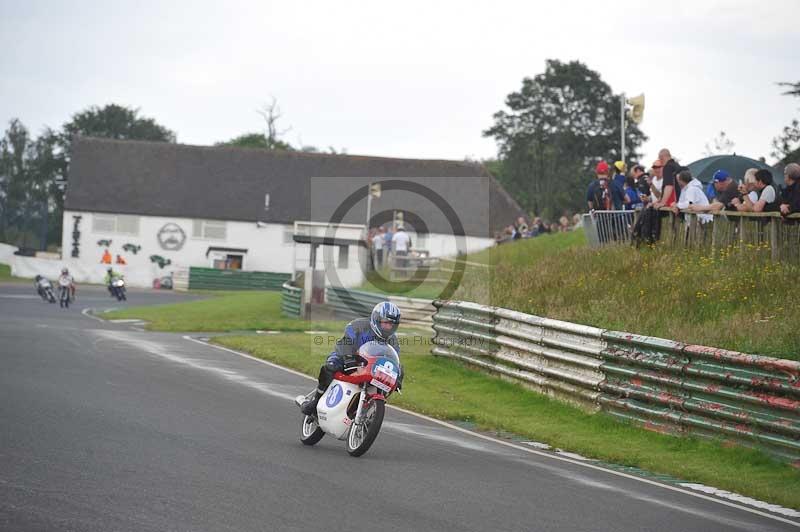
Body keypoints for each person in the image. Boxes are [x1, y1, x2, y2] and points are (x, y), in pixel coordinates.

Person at [300, 301, 403, 415]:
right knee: (330, 367)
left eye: (392, 324)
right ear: (376, 319)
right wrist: (349, 359)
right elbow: (346, 343)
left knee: (382, 387)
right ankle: (316, 401)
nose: (388, 327)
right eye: (386, 322)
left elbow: (394, 360)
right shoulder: (358, 325)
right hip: (346, 356)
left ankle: (367, 414)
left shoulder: (393, 341)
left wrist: (398, 378)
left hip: (370, 366)